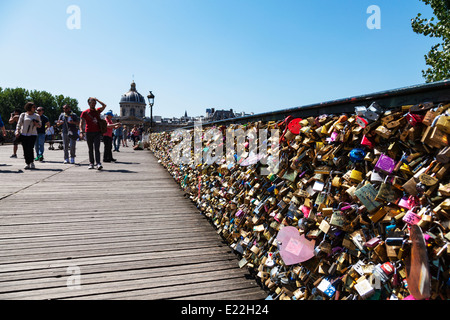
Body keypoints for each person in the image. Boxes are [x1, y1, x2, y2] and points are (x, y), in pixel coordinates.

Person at [79, 97, 107, 170]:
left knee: (97, 148)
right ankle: (91, 163)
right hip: (88, 132)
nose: (94, 104)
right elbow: (81, 123)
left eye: (95, 103)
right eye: (92, 103)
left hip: (97, 132)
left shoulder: (97, 111)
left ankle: (98, 163)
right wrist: (81, 131)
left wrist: (97, 100)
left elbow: (104, 106)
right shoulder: (85, 112)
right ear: (89, 103)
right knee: (90, 148)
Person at [15, 102, 41, 170]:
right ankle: (27, 163)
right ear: (29, 107)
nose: (35, 108)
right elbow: (19, 124)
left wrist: (36, 123)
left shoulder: (36, 116)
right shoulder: (23, 115)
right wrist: (17, 130)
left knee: (30, 148)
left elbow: (40, 125)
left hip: (33, 134)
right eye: (33, 107)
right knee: (25, 149)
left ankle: (32, 162)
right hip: (24, 134)